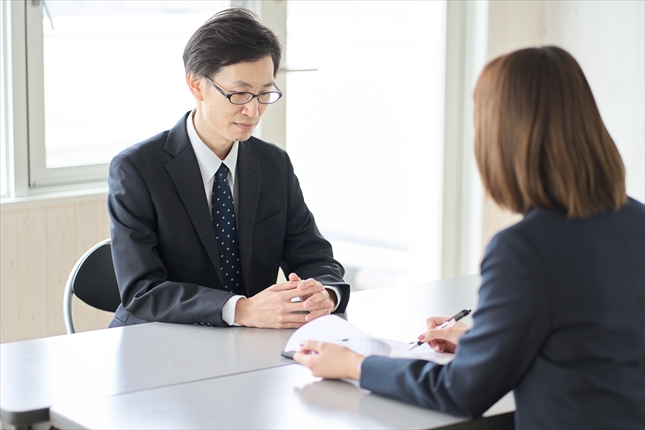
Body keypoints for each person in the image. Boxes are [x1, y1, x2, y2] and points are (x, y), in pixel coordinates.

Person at [294, 46, 645, 429]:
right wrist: (485, 343)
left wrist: (356, 365)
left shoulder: (524, 249)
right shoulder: (635, 219)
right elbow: (587, 340)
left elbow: (462, 391)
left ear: (504, 139)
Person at [107, 8, 349, 329]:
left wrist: (325, 293)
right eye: (239, 93)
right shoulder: (137, 169)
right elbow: (142, 290)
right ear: (196, 85)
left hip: (247, 346)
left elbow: (313, 256)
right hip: (158, 344)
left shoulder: (274, 164)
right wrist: (241, 310)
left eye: (265, 93)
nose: (253, 109)